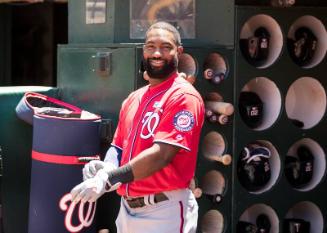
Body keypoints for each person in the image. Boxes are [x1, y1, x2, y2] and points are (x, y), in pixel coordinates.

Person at [71, 21, 205, 233]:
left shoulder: (183, 96)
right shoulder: (134, 98)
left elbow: (162, 154)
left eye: (165, 47)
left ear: (178, 52)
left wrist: (109, 179)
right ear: (144, 51)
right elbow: (118, 147)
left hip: (165, 208)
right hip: (127, 209)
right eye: (151, 46)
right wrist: (107, 167)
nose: (157, 53)